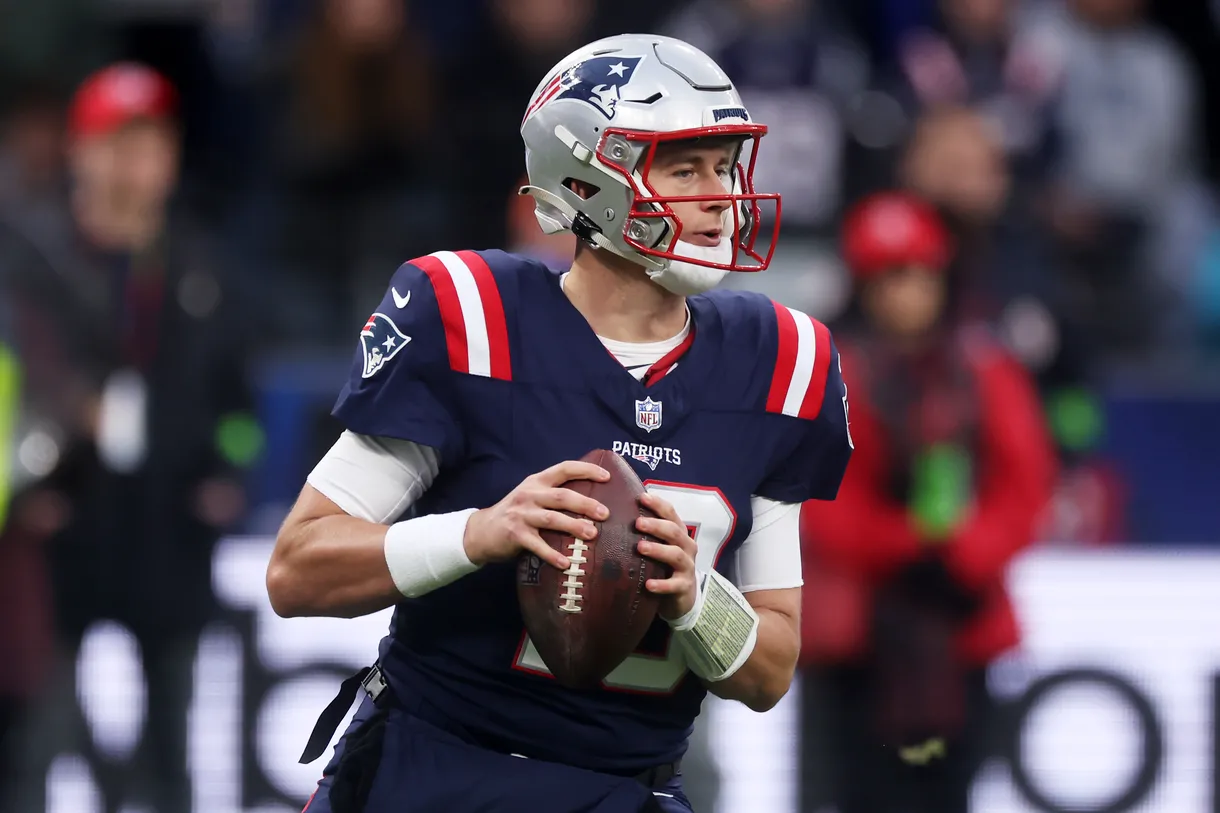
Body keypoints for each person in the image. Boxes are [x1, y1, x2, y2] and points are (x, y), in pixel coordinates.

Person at [267, 33, 853, 813]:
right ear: (588, 180)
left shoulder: (781, 360)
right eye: (684, 168)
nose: (719, 196)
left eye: (724, 165)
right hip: (435, 772)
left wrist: (695, 598)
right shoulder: (470, 317)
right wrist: (476, 533)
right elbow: (298, 568)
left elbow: (771, 668)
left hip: (623, 789)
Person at [797, 191, 1055, 813]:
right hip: (858, 645)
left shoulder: (985, 371)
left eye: (916, 274)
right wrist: (909, 546)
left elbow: (1026, 487)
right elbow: (817, 499)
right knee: (855, 793)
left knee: (947, 792)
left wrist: (963, 556)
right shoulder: (832, 374)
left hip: (958, 634)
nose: (904, 293)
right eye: (888, 277)